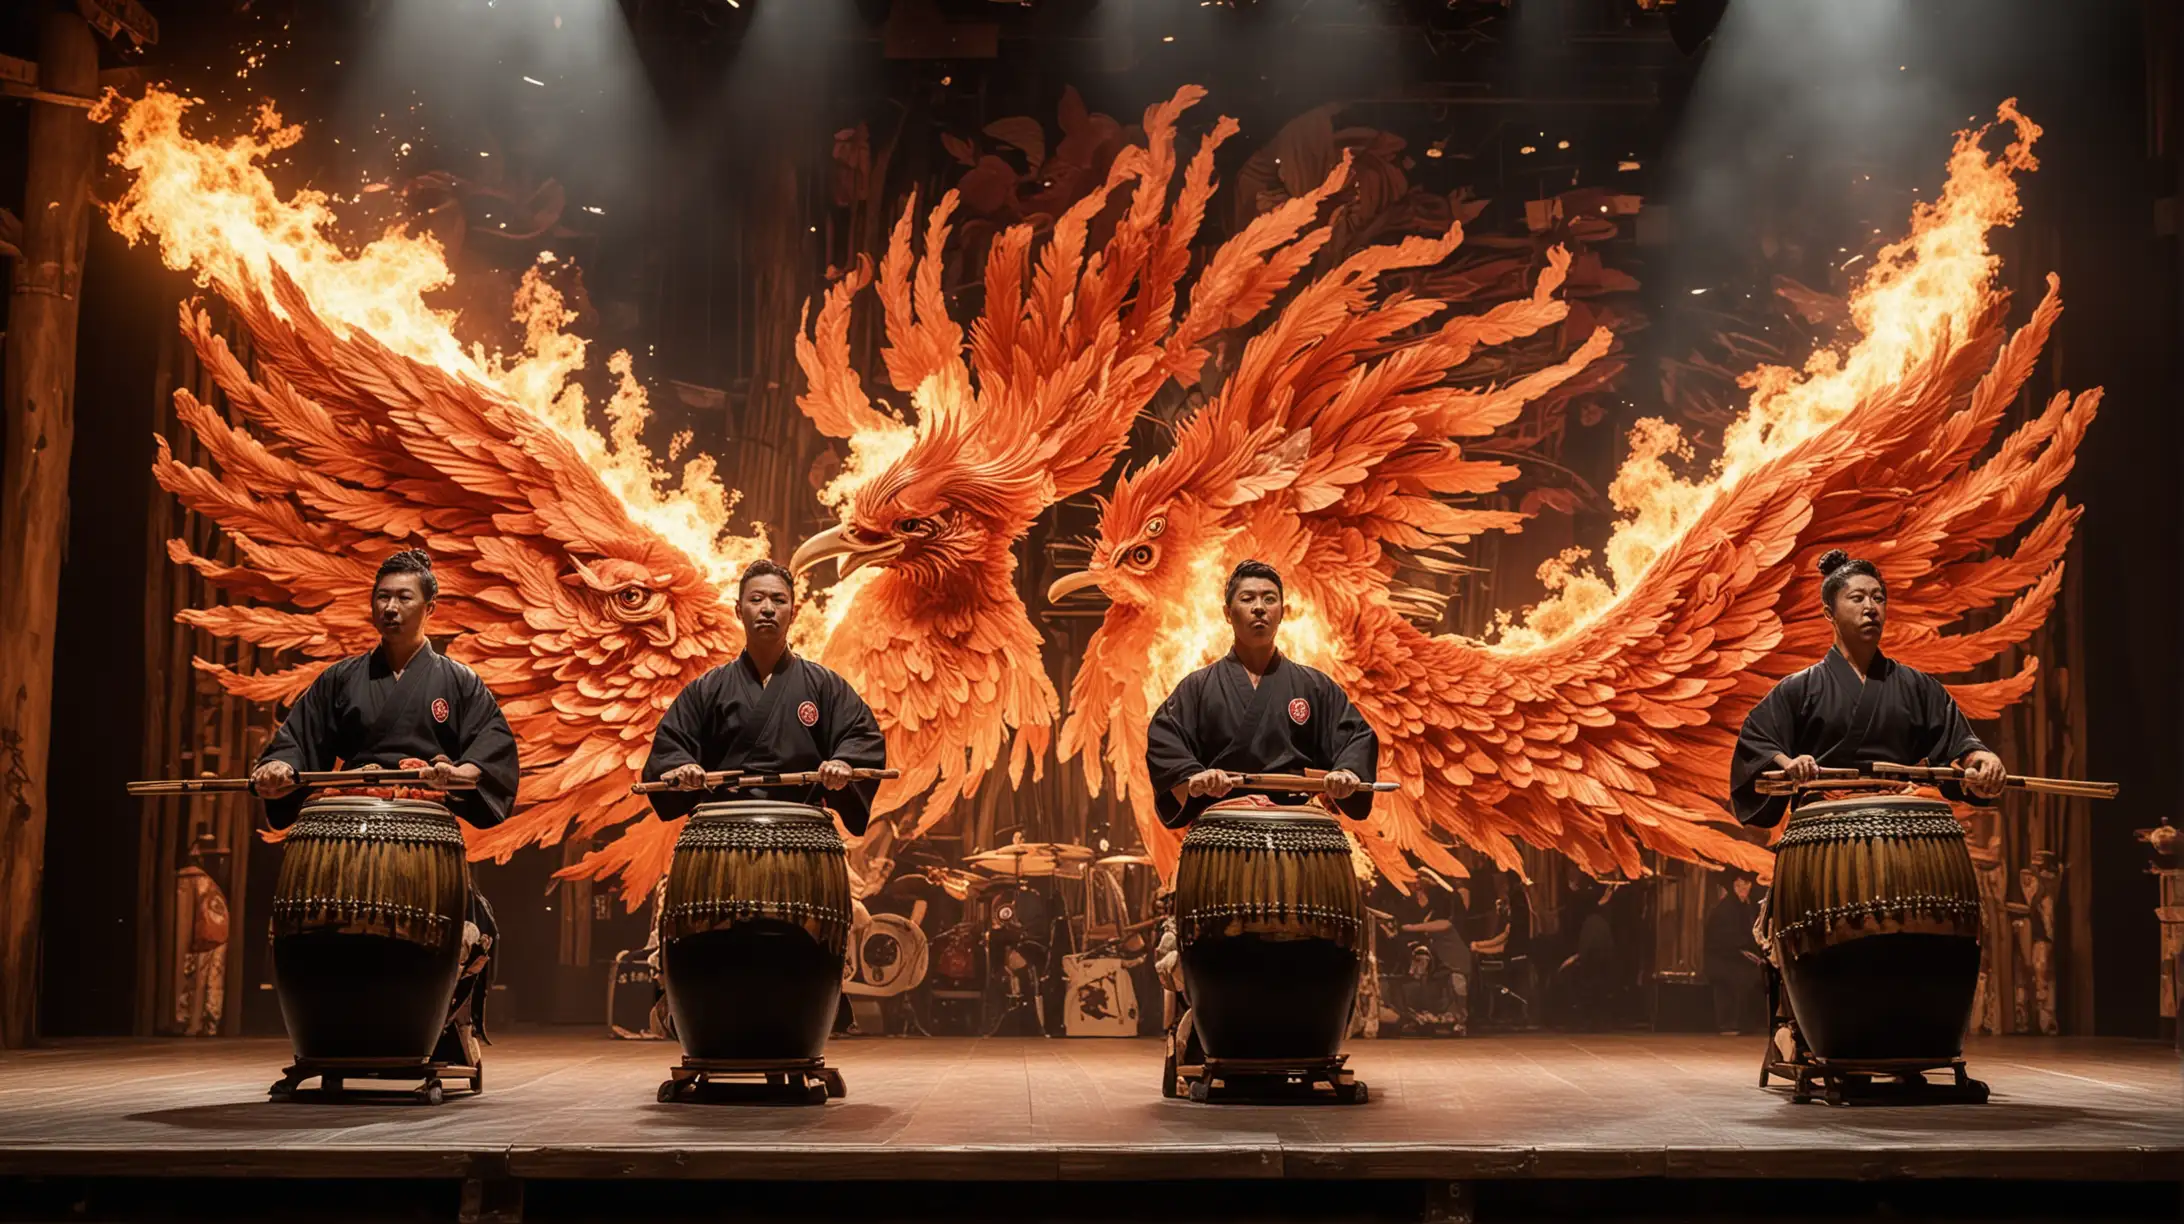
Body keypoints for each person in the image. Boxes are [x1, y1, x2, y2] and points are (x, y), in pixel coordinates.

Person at [250, 548, 521, 1068]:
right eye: (382, 597)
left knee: (458, 931)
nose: (390, 608)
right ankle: (332, 1041)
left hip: (421, 826)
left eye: (403, 597)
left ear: (430, 608)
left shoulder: (458, 683)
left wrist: (458, 773)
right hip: (347, 825)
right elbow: (296, 743)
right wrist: (280, 769)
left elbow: (490, 756)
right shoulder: (341, 679)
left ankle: (427, 1032)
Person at [1731, 550, 2007, 827]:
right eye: (1857, 598)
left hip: (1901, 822)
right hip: (1823, 825)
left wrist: (1979, 757)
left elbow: (1957, 745)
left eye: (1878, 598)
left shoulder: (1917, 686)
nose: (1871, 607)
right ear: (1830, 612)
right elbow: (1757, 741)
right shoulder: (1799, 688)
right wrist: (1789, 763)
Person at [641, 559, 888, 832]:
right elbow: (672, 745)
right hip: (722, 829)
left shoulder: (825, 685)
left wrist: (843, 763)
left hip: (801, 829)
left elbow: (861, 736)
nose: (768, 609)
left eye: (779, 600)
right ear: (738, 610)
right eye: (756, 599)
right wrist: (682, 768)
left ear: (793, 613)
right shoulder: (707, 688)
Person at [1145, 559, 1380, 826]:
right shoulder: (1197, 687)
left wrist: (1346, 773)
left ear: (1283, 612)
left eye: (1269, 599)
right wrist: (1193, 777)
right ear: (1227, 613)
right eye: (1247, 599)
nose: (1259, 608)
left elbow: (1356, 737)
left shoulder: (1314, 686)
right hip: (1222, 826)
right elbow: (1165, 738)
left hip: (1296, 829)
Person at [1704, 872, 1765, 1035]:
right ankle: (1729, 1023)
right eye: (1738, 885)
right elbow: (1724, 937)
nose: (1743, 888)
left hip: (1738, 956)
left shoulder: (1750, 906)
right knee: (1734, 984)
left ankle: (1744, 1023)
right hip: (1724, 958)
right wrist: (1745, 950)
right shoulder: (1725, 909)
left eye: (1746, 884)